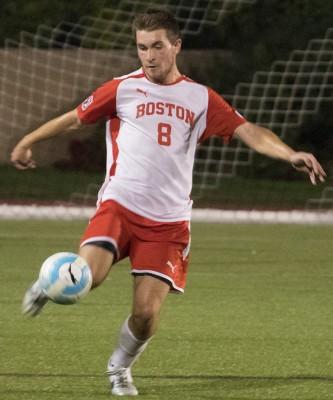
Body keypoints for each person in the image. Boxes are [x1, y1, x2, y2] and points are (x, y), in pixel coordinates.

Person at [11, 8, 326, 397]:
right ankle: (50, 283)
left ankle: (119, 367)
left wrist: (289, 153)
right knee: (89, 276)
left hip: (168, 222)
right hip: (119, 206)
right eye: (142, 47)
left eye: (157, 46)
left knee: (145, 315)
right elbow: (75, 118)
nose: (149, 56)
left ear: (176, 46)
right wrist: (28, 141)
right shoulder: (122, 88)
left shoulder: (199, 97)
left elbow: (249, 131)